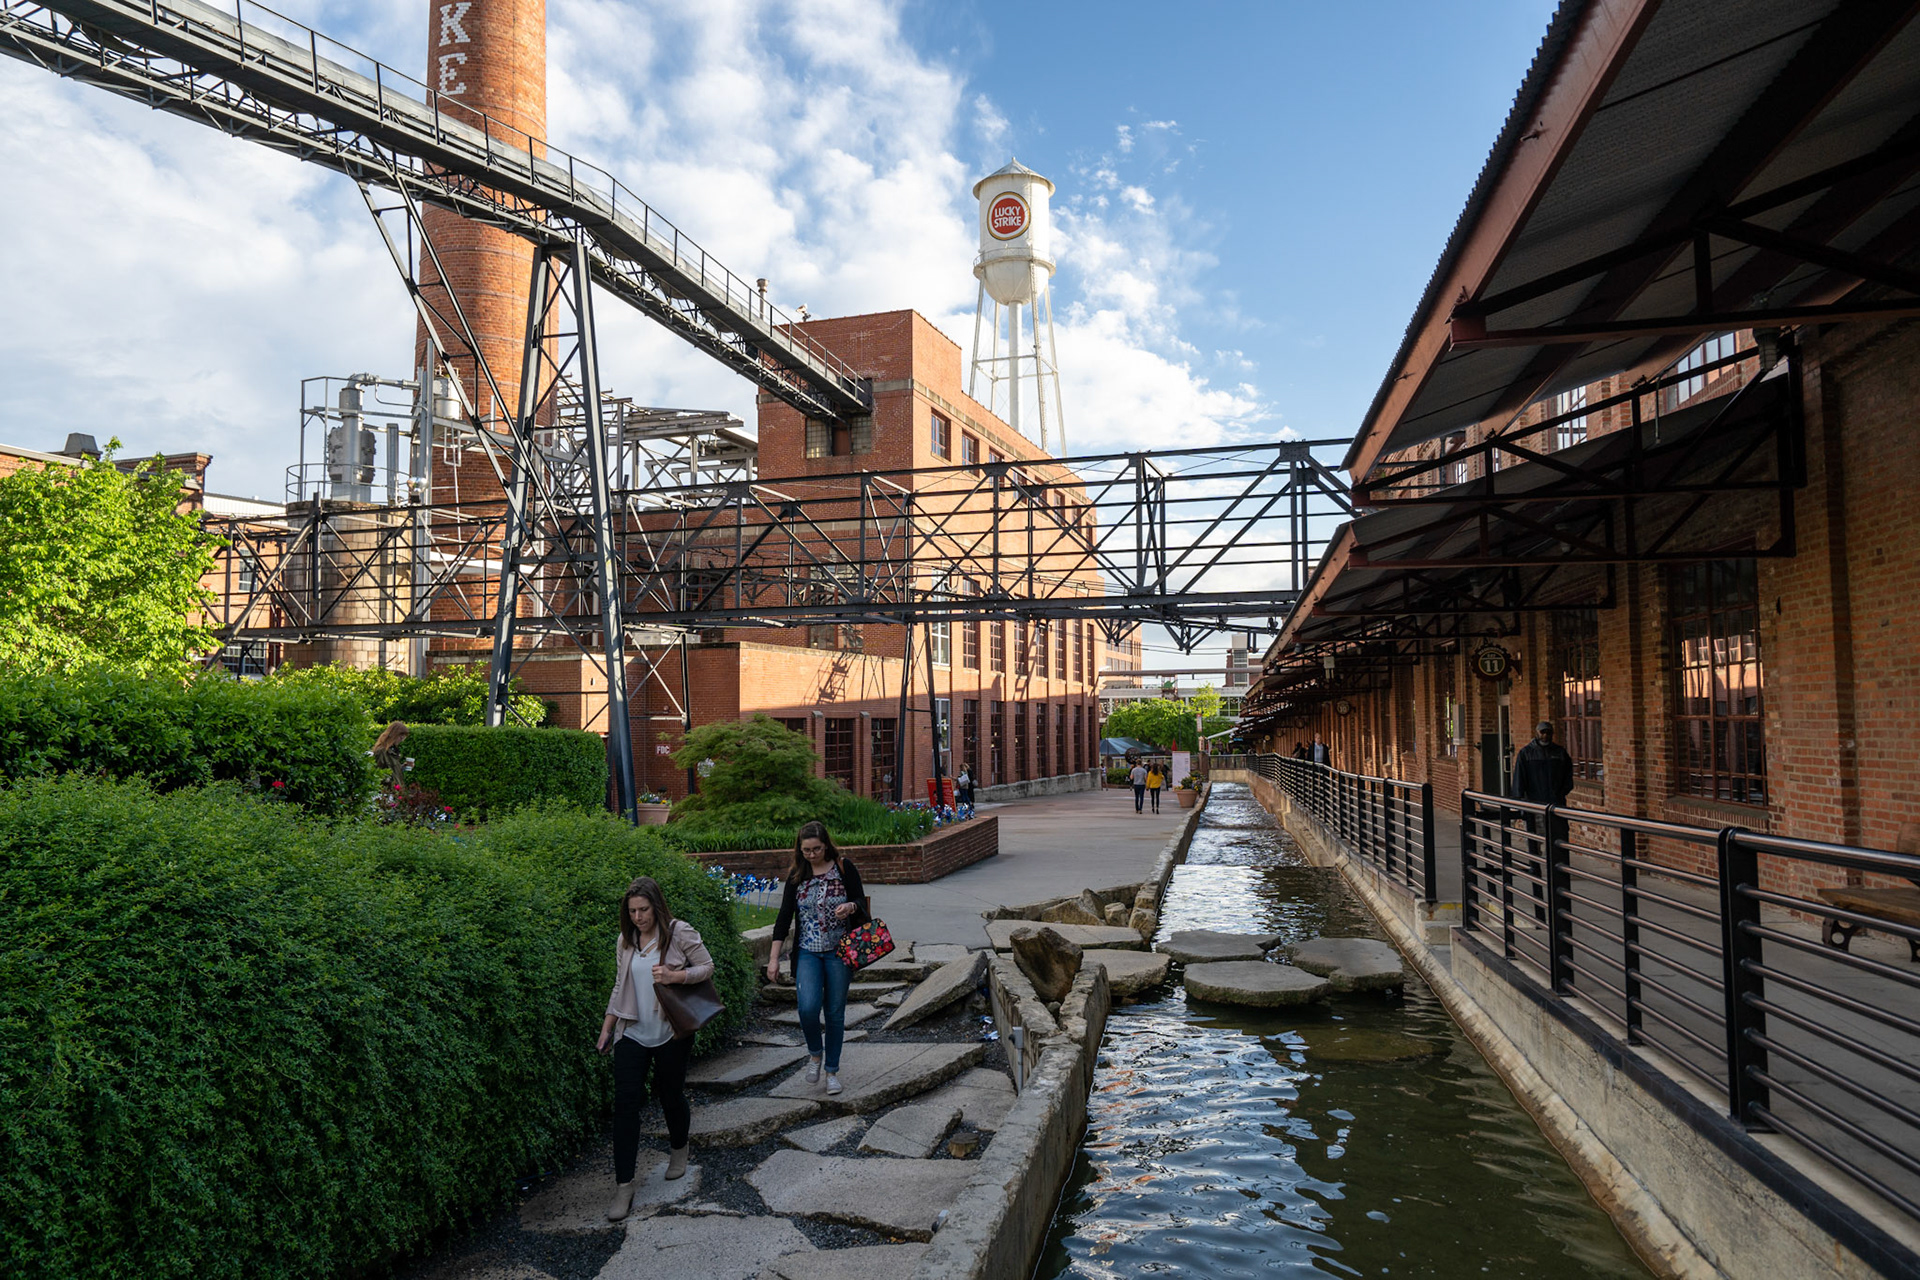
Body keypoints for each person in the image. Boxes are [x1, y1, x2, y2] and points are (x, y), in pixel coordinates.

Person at [598, 876, 713, 1220]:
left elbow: (707, 967)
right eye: (632, 911)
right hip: (631, 1031)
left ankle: (679, 1147)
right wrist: (607, 1027)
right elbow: (619, 985)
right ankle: (624, 1186)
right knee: (625, 1106)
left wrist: (676, 976)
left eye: (644, 910)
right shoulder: (626, 940)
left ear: (657, 907)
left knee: (670, 1094)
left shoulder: (679, 933)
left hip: (671, 1031)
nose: (638, 917)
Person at [766, 821, 870, 1098]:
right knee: (808, 1008)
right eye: (806, 850)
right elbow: (783, 918)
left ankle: (831, 1072)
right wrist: (774, 959)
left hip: (839, 951)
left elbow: (860, 901)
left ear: (826, 845)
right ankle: (815, 1054)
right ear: (799, 850)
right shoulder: (797, 875)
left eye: (816, 849)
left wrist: (850, 906)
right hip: (808, 951)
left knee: (835, 1013)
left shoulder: (843, 868)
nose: (812, 855)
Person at [1511, 722, 1575, 924]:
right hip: (1535, 805)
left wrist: (1559, 794)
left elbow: (1568, 778)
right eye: (1542, 732)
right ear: (1536, 733)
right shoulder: (1526, 753)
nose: (1546, 735)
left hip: (1555, 805)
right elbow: (1519, 780)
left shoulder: (1560, 753)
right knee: (1535, 841)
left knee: (1556, 841)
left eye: (1549, 732)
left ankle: (1556, 872)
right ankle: (1536, 871)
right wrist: (1521, 805)